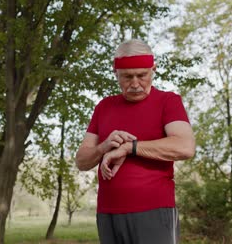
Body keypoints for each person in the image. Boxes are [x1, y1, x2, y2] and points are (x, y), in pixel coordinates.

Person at [75, 39, 195, 244]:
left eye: (142, 75)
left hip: (154, 211)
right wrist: (104, 146)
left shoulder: (168, 101)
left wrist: (130, 148)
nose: (135, 83)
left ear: (153, 70)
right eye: (127, 77)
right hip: (108, 213)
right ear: (116, 75)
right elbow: (82, 161)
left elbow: (185, 146)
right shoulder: (104, 107)